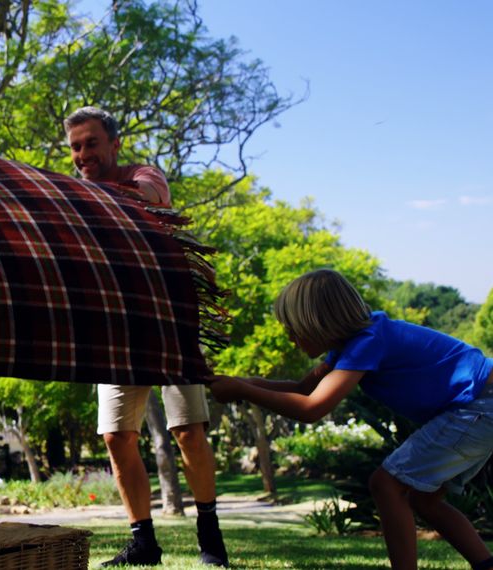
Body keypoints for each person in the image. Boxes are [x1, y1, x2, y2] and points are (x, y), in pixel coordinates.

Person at [208, 269, 493, 570]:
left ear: (317, 322)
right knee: (424, 500)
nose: (289, 337)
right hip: (478, 405)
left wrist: (242, 390)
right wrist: (241, 382)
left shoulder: (368, 341)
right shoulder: (357, 342)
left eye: (292, 328)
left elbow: (311, 408)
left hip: (479, 404)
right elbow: (303, 389)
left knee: (386, 485)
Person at [63, 106, 228, 567]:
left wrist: (84, 198)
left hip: (168, 317)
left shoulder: (142, 174)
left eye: (91, 143)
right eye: (76, 147)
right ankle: (144, 543)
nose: (83, 155)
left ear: (114, 144)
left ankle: (210, 540)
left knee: (187, 431)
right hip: (115, 325)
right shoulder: (74, 191)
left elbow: (149, 196)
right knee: (117, 437)